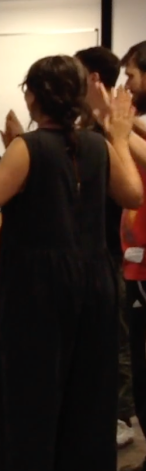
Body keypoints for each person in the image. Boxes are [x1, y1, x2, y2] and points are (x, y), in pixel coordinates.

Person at [0, 55, 141, 471]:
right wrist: (117, 135)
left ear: (33, 95)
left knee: (33, 390)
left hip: (39, 285)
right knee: (89, 388)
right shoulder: (94, 145)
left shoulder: (29, 147)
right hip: (95, 279)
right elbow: (132, 193)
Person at [75, 45, 138, 449]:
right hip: (86, 250)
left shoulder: (114, 129)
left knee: (118, 340)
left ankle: (120, 416)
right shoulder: (83, 128)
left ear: (94, 79)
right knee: (95, 337)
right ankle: (96, 410)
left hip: (115, 250)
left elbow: (130, 190)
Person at [119, 40, 146, 471]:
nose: (127, 84)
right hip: (134, 260)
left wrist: (119, 132)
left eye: (133, 76)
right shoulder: (136, 125)